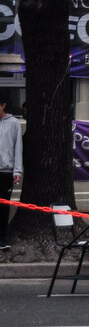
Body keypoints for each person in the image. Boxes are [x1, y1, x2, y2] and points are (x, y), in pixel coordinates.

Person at [0, 98, 22, 251]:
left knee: (3, 207)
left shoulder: (13, 123)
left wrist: (17, 170)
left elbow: (17, 148)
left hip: (5, 171)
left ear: (3, 105)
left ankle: (2, 237)